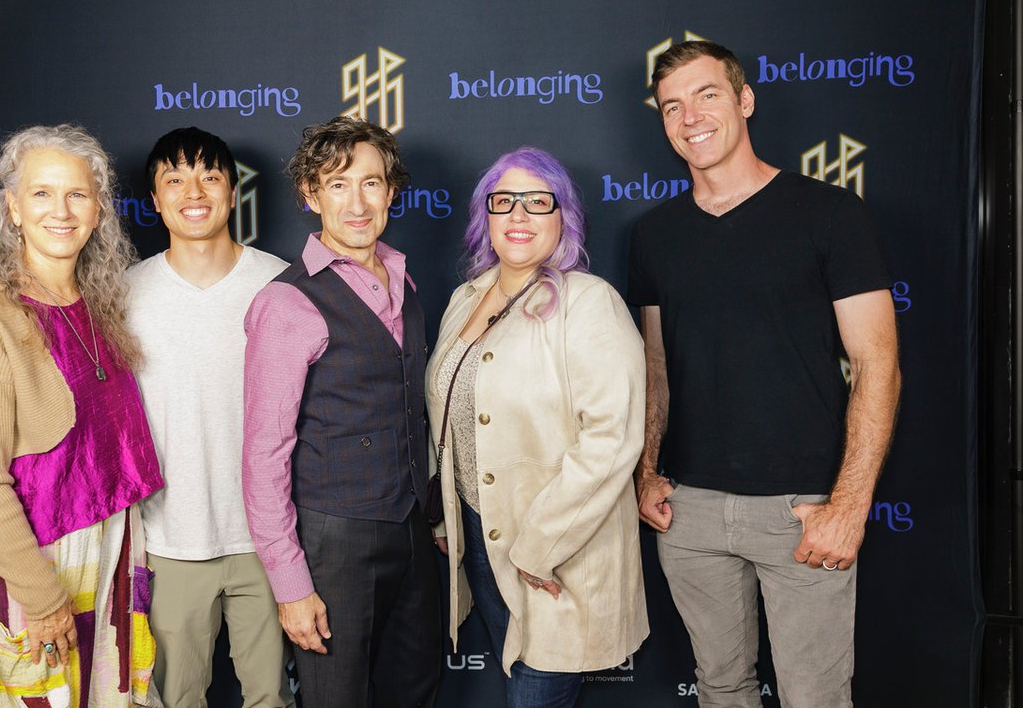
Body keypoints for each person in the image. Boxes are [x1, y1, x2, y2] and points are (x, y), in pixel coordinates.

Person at [629, 40, 901, 708]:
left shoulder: (829, 213)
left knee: (814, 697)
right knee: (721, 690)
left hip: (802, 511)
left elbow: (878, 366)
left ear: (745, 100)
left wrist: (848, 507)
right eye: (672, 106)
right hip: (689, 511)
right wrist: (648, 470)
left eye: (707, 95)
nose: (690, 116)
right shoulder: (654, 234)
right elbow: (656, 365)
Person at [0, 124, 165, 707]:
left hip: (106, 555)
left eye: (77, 194)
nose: (60, 211)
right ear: (13, 208)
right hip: (30, 572)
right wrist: (40, 598)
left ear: (98, 210)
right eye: (41, 193)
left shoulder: (97, 306)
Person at [427, 147, 649, 707]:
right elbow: (444, 412)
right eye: (503, 201)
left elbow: (611, 439)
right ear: (485, 216)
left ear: (563, 216)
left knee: (535, 695)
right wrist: (446, 515)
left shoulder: (589, 303)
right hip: (479, 536)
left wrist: (538, 547)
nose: (518, 215)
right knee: (515, 681)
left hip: (555, 547)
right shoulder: (464, 299)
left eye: (537, 201)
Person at [242, 115, 440, 708]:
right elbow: (263, 455)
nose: (357, 203)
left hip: (411, 529)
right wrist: (291, 585)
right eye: (337, 184)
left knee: (416, 691)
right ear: (310, 194)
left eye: (371, 183)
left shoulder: (404, 281)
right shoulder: (287, 302)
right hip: (335, 541)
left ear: (391, 191)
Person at [126, 126, 294, 708]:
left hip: (269, 542)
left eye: (209, 176)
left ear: (232, 190)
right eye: (175, 179)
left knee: (272, 698)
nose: (193, 192)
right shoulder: (123, 294)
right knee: (177, 699)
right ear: (155, 198)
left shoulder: (281, 283)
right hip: (168, 540)